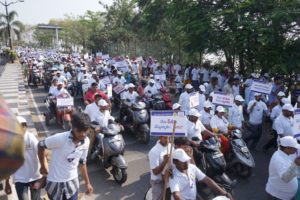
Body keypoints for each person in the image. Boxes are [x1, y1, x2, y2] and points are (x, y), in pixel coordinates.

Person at [38, 112, 93, 200]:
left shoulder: (86, 142)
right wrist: (43, 166)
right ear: (73, 127)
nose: (82, 134)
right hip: (55, 184)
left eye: (85, 131)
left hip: (72, 184)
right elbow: (40, 145)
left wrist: (87, 183)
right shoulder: (60, 138)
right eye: (79, 131)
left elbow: (82, 163)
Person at [5, 116, 44, 200]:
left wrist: (44, 172)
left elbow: (41, 153)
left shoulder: (31, 138)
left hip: (35, 177)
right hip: (20, 179)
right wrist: (7, 182)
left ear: (25, 127)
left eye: (23, 125)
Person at [148, 136, 171, 200]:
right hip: (158, 180)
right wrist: (164, 161)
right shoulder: (153, 151)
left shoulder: (170, 146)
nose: (167, 140)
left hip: (169, 177)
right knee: (158, 197)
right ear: (160, 138)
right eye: (165, 138)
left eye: (169, 138)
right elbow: (155, 172)